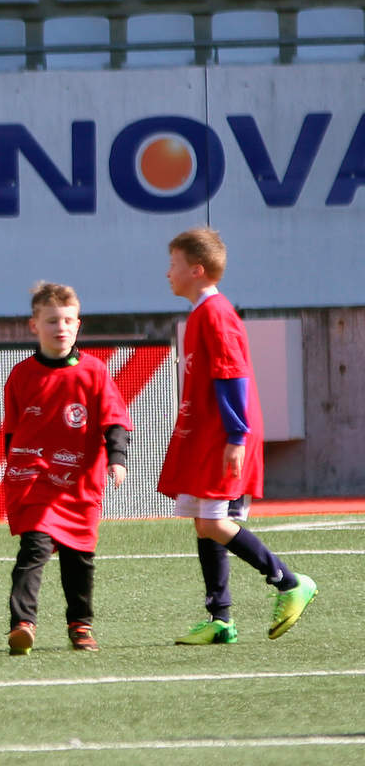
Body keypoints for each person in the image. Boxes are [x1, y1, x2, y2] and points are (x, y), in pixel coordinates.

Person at [159, 227, 317, 645]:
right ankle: (220, 617)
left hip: (222, 436)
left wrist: (236, 434)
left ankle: (288, 582)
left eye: (173, 265)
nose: (167, 273)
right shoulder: (199, 314)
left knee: (214, 521)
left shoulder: (215, 312)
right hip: (206, 434)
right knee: (203, 522)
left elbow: (233, 375)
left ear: (197, 270)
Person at [2, 282, 131, 656]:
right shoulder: (22, 374)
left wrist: (117, 459)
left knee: (79, 558)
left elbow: (115, 422)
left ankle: (80, 625)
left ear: (78, 324)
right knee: (34, 549)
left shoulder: (94, 372)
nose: (61, 327)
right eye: (52, 320)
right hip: (36, 480)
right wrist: (14, 471)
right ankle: (22, 625)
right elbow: (13, 431)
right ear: (34, 326)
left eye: (68, 320)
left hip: (80, 483)